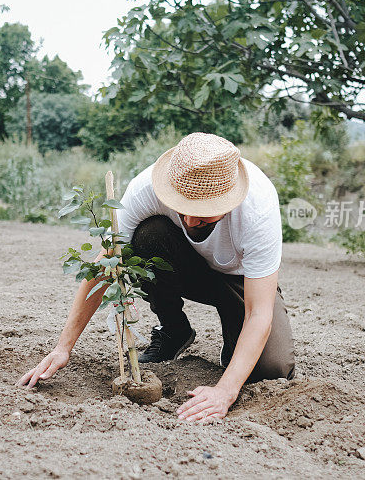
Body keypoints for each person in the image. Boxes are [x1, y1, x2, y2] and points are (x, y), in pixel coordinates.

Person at [17, 132, 295, 422]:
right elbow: (106, 263)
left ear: (228, 200)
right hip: (186, 267)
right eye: (182, 208)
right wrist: (64, 347)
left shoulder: (257, 207)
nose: (189, 221)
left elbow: (259, 312)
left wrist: (225, 390)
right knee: (147, 236)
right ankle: (174, 330)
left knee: (271, 369)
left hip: (241, 282)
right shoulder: (146, 189)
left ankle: (233, 331)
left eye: (202, 214)